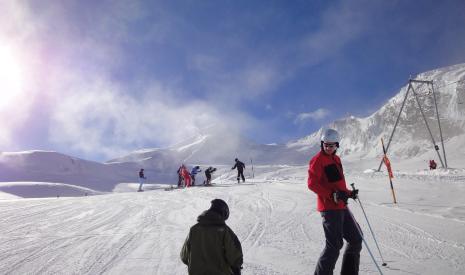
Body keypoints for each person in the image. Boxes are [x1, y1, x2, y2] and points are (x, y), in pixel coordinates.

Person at [307, 128, 362, 275]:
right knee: (334, 245)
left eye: (332, 145)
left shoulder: (336, 159)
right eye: (326, 145)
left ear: (337, 145)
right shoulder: (317, 160)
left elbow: (337, 185)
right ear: (322, 144)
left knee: (356, 238)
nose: (328, 148)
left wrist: (349, 193)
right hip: (329, 208)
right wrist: (332, 195)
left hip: (341, 206)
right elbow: (312, 184)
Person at [181, 199, 243, 275]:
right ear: (223, 213)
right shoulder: (225, 231)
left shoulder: (194, 230)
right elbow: (235, 258)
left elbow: (184, 256)